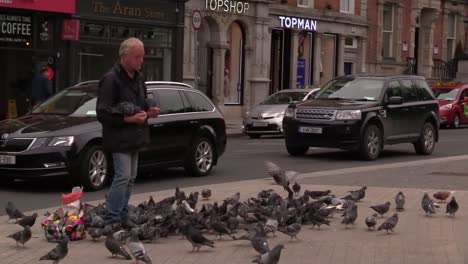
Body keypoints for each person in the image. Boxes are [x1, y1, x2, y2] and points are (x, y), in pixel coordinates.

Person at [96, 37, 160, 228]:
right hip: (118, 137)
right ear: (125, 57)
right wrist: (128, 119)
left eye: (142, 57)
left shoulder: (139, 77)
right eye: (137, 57)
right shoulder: (111, 79)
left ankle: (122, 216)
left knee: (130, 178)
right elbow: (102, 112)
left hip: (136, 135)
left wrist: (151, 108)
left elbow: (142, 101)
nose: (141, 60)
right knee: (122, 177)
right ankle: (112, 219)